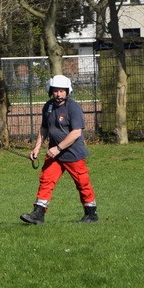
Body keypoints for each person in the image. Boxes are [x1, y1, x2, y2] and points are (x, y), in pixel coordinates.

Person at [19, 74, 99, 225]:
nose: (58, 94)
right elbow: (44, 128)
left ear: (68, 91)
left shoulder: (73, 107)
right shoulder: (48, 106)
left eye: (62, 91)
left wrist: (58, 148)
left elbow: (76, 132)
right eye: (55, 91)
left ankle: (91, 213)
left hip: (72, 153)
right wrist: (36, 147)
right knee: (46, 180)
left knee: (82, 183)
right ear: (50, 91)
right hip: (54, 153)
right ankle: (38, 214)